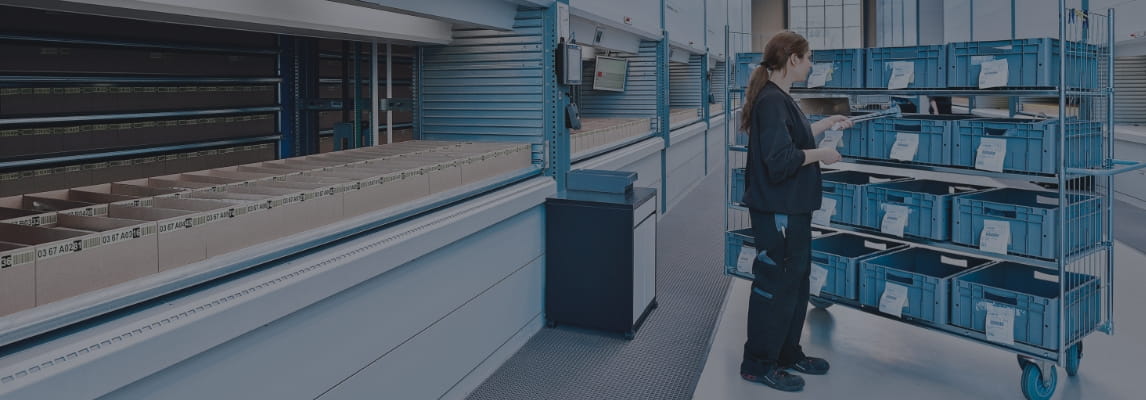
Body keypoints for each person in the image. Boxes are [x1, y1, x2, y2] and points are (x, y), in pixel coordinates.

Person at [738, 30, 854, 392]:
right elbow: (779, 160)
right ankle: (758, 364)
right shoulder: (772, 101)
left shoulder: (781, 98)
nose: (811, 64)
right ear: (792, 60)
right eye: (808, 58)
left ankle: (787, 353)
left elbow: (794, 136)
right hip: (778, 212)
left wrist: (825, 125)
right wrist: (824, 155)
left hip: (793, 209)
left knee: (796, 284)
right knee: (775, 286)